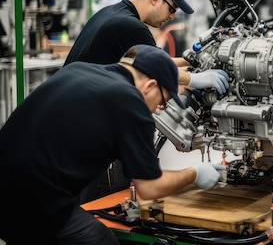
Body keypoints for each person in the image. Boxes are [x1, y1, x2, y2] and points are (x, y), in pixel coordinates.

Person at [0, 45, 225, 245]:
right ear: (150, 85)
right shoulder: (131, 104)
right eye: (163, 100)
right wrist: (194, 174)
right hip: (33, 206)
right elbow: (150, 188)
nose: (159, 108)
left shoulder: (79, 69)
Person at [64, 0, 228, 202]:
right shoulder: (132, 27)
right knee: (102, 201)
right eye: (172, 8)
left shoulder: (111, 14)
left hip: (76, 119)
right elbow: (154, 69)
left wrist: (193, 60)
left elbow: (150, 60)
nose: (172, 16)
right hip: (93, 127)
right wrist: (196, 79)